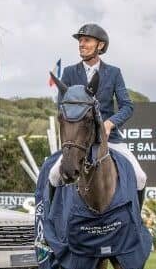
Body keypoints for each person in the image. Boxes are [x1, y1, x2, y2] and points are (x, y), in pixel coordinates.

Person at [48, 24, 147, 207]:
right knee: (54, 175)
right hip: (79, 141)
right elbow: (62, 108)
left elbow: (127, 106)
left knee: (140, 177)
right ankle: (51, 223)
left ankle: (136, 224)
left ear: (100, 46)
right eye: (80, 41)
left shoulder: (114, 73)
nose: (81, 44)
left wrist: (109, 124)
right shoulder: (69, 73)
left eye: (86, 40)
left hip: (109, 140)